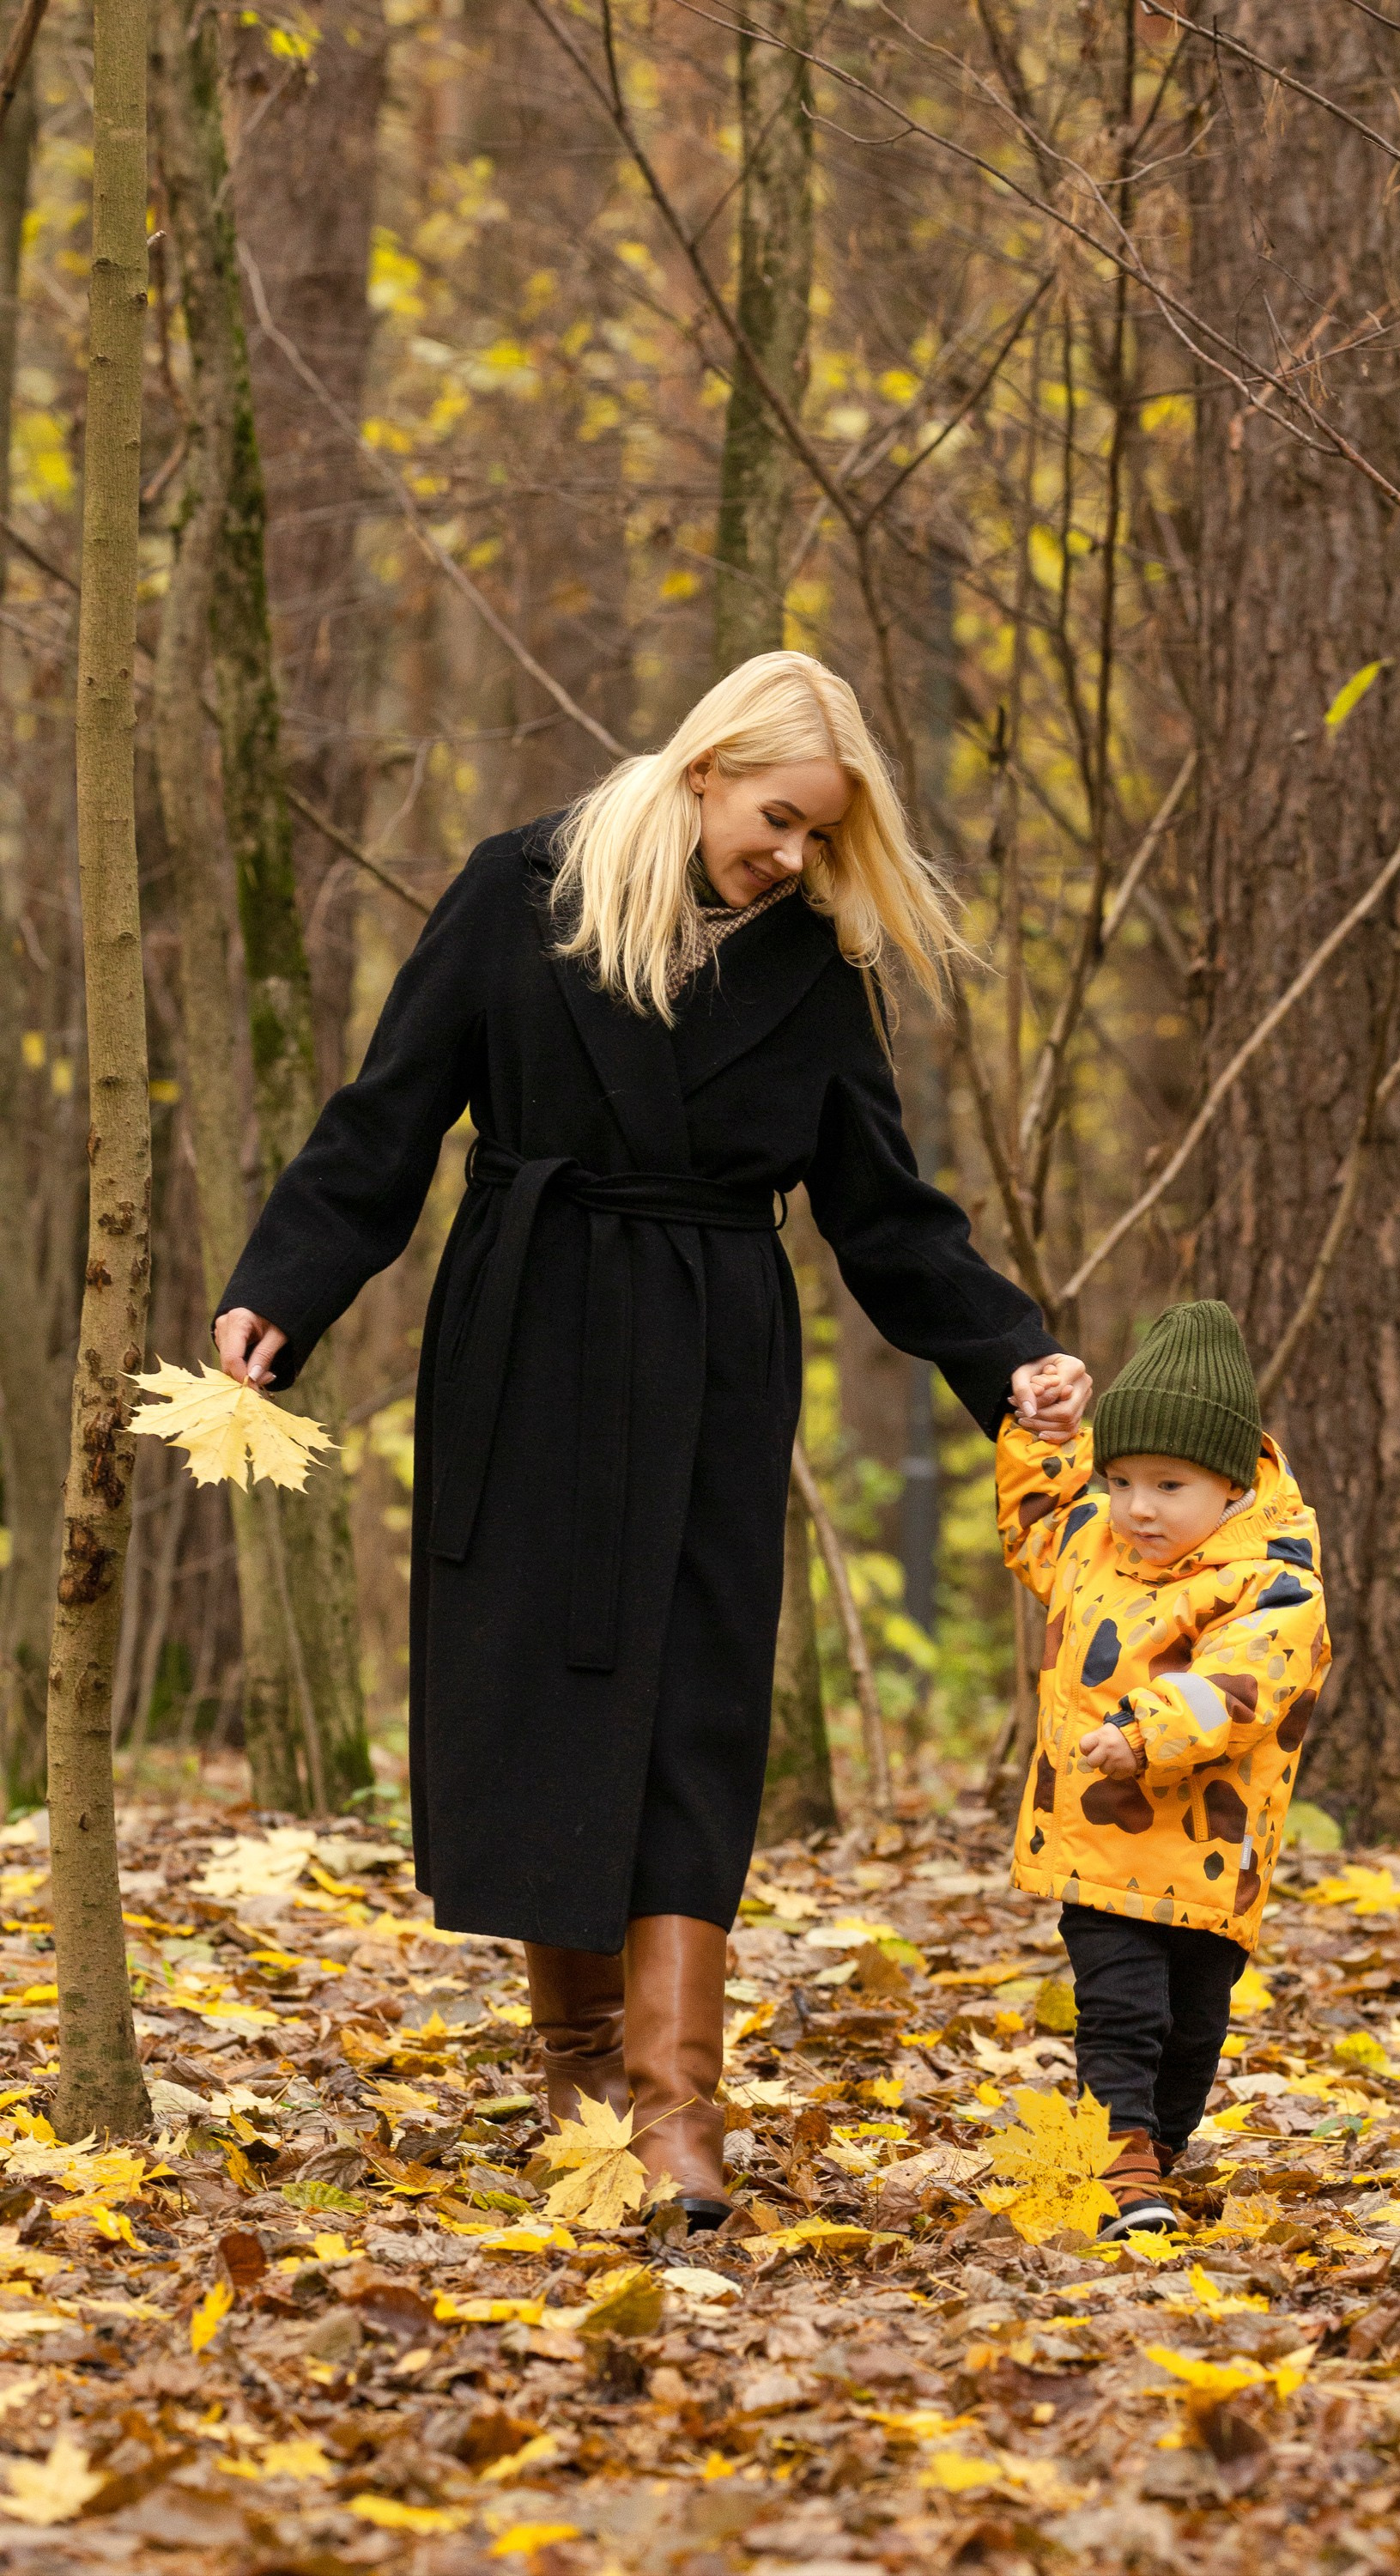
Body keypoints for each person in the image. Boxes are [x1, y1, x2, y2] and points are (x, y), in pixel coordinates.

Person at [213, 649, 1088, 2230]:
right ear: (704, 768)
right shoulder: (521, 892)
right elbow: (387, 1116)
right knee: (548, 1701)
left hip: (711, 1359)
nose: (795, 858)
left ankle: (682, 2115)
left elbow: (886, 1212)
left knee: (693, 1710)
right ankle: (586, 2095)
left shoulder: (816, 965)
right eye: (778, 819)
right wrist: (285, 1288)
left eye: (822, 837)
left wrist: (1012, 1353)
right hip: (531, 1336)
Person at [998, 1299, 1330, 2235]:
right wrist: (1042, 1430)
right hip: (1098, 1845)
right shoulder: (1091, 1544)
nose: (1138, 1508)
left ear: (1230, 1488)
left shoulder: (1272, 1578)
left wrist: (1147, 1729)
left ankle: (1159, 2151)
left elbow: (1247, 1678)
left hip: (1209, 1860)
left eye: (1168, 1485)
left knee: (1191, 2027)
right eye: (1121, 1480)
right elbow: (1035, 1518)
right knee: (1120, 2011)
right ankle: (1124, 2156)